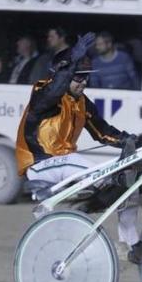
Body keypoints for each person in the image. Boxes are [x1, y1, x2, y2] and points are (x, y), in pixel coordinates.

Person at [15, 32, 134, 189]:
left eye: (86, 77)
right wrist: (70, 64)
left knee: (127, 187)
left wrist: (131, 141)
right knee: (80, 163)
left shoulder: (82, 102)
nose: (84, 82)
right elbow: (55, 89)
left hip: (63, 163)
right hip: (40, 165)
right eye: (78, 77)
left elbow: (103, 133)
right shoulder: (43, 93)